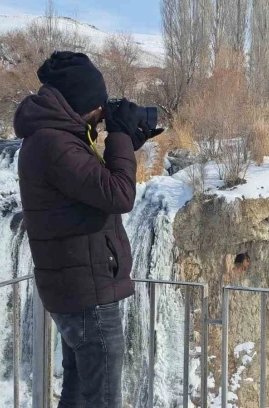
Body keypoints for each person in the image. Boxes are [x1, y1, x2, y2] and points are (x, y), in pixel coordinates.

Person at [14, 51, 163, 407]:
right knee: (102, 398)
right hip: (87, 293)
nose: (101, 115)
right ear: (80, 102)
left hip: (75, 287)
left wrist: (126, 140)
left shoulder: (53, 139)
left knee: (79, 391)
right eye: (98, 107)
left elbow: (96, 184)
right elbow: (120, 194)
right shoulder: (56, 144)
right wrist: (120, 138)